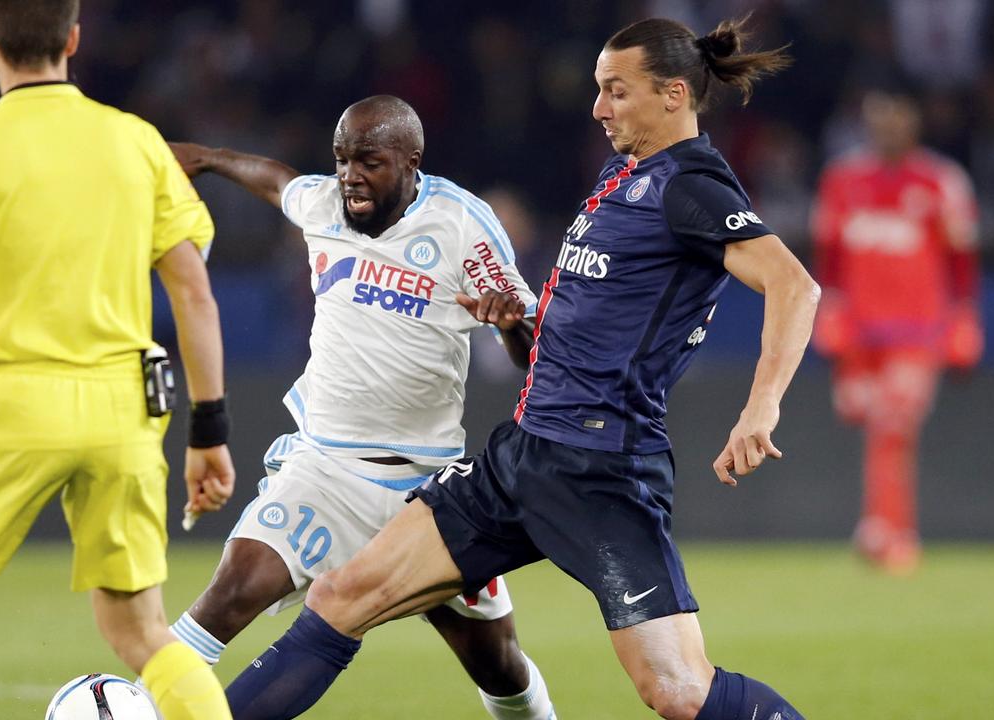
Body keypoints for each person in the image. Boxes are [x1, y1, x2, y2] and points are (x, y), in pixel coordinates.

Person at [223, 16, 818, 720]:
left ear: (673, 94)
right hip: (525, 451)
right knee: (339, 597)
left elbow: (794, 286)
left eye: (616, 92)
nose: (598, 108)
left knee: (678, 692)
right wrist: (515, 323)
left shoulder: (691, 186)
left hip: (601, 468)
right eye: (599, 90)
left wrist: (761, 409)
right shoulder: (624, 173)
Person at [0, 2, 235, 718]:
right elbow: (194, 293)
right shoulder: (138, 142)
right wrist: (209, 430)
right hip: (127, 406)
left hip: (16, 403)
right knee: (142, 630)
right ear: (73, 38)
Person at [169, 95, 558, 720]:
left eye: (368, 161)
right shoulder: (326, 202)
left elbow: (531, 348)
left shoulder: (461, 222)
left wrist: (511, 325)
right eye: (342, 159)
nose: (350, 175)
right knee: (227, 595)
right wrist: (209, 159)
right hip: (323, 470)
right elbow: (278, 182)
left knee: (499, 663)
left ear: (411, 161)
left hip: (428, 492)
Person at [812, 83, 982, 574]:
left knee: (893, 426)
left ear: (914, 120)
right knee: (862, 417)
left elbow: (962, 262)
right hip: (860, 334)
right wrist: (830, 315)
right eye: (878, 116)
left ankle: (890, 533)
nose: (887, 125)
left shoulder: (941, 182)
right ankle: (881, 526)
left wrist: (964, 321)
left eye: (896, 115)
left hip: (916, 332)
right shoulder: (842, 180)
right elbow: (831, 260)